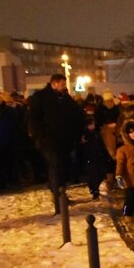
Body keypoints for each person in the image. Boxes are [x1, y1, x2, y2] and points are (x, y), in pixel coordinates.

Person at [27, 74, 83, 214]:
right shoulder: (41, 97)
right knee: (55, 168)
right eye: (63, 84)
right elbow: (33, 119)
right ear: (54, 84)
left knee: (63, 168)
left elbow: (76, 113)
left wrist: (78, 132)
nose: (65, 87)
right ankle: (57, 198)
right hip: (49, 141)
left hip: (65, 141)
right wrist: (40, 136)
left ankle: (62, 194)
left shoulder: (65, 98)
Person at [80, 115, 107, 200]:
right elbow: (82, 147)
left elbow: (100, 143)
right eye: (91, 124)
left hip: (97, 156)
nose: (92, 126)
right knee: (93, 175)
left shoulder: (96, 132)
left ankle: (95, 188)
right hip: (89, 157)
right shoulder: (84, 134)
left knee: (100, 174)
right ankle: (94, 190)